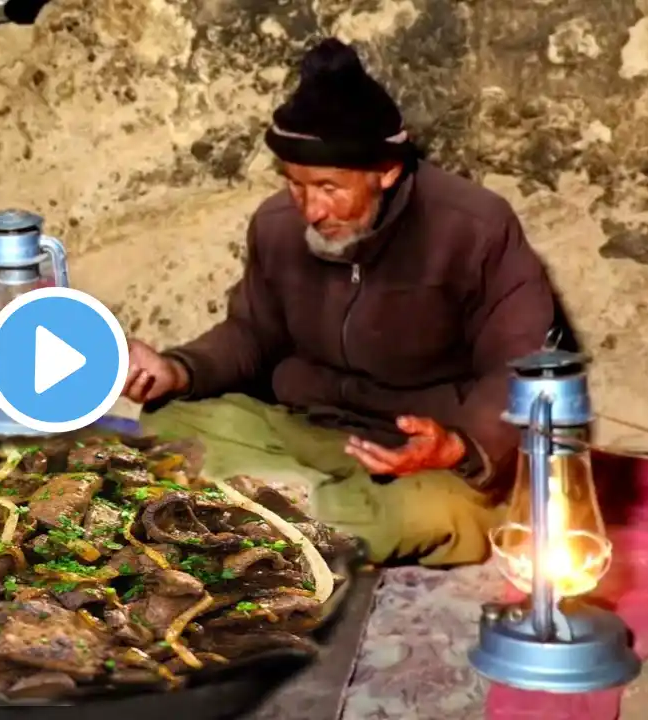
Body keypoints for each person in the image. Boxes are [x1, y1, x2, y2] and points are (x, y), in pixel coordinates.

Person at [122, 38, 557, 567]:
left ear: (387, 170)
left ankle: (274, 509)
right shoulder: (276, 225)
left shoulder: (473, 228)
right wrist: (175, 370)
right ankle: (304, 509)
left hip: (419, 459)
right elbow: (253, 332)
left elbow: (522, 366)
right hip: (311, 428)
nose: (310, 209)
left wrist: (461, 446)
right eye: (295, 184)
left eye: (329, 186)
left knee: (441, 513)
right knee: (167, 419)